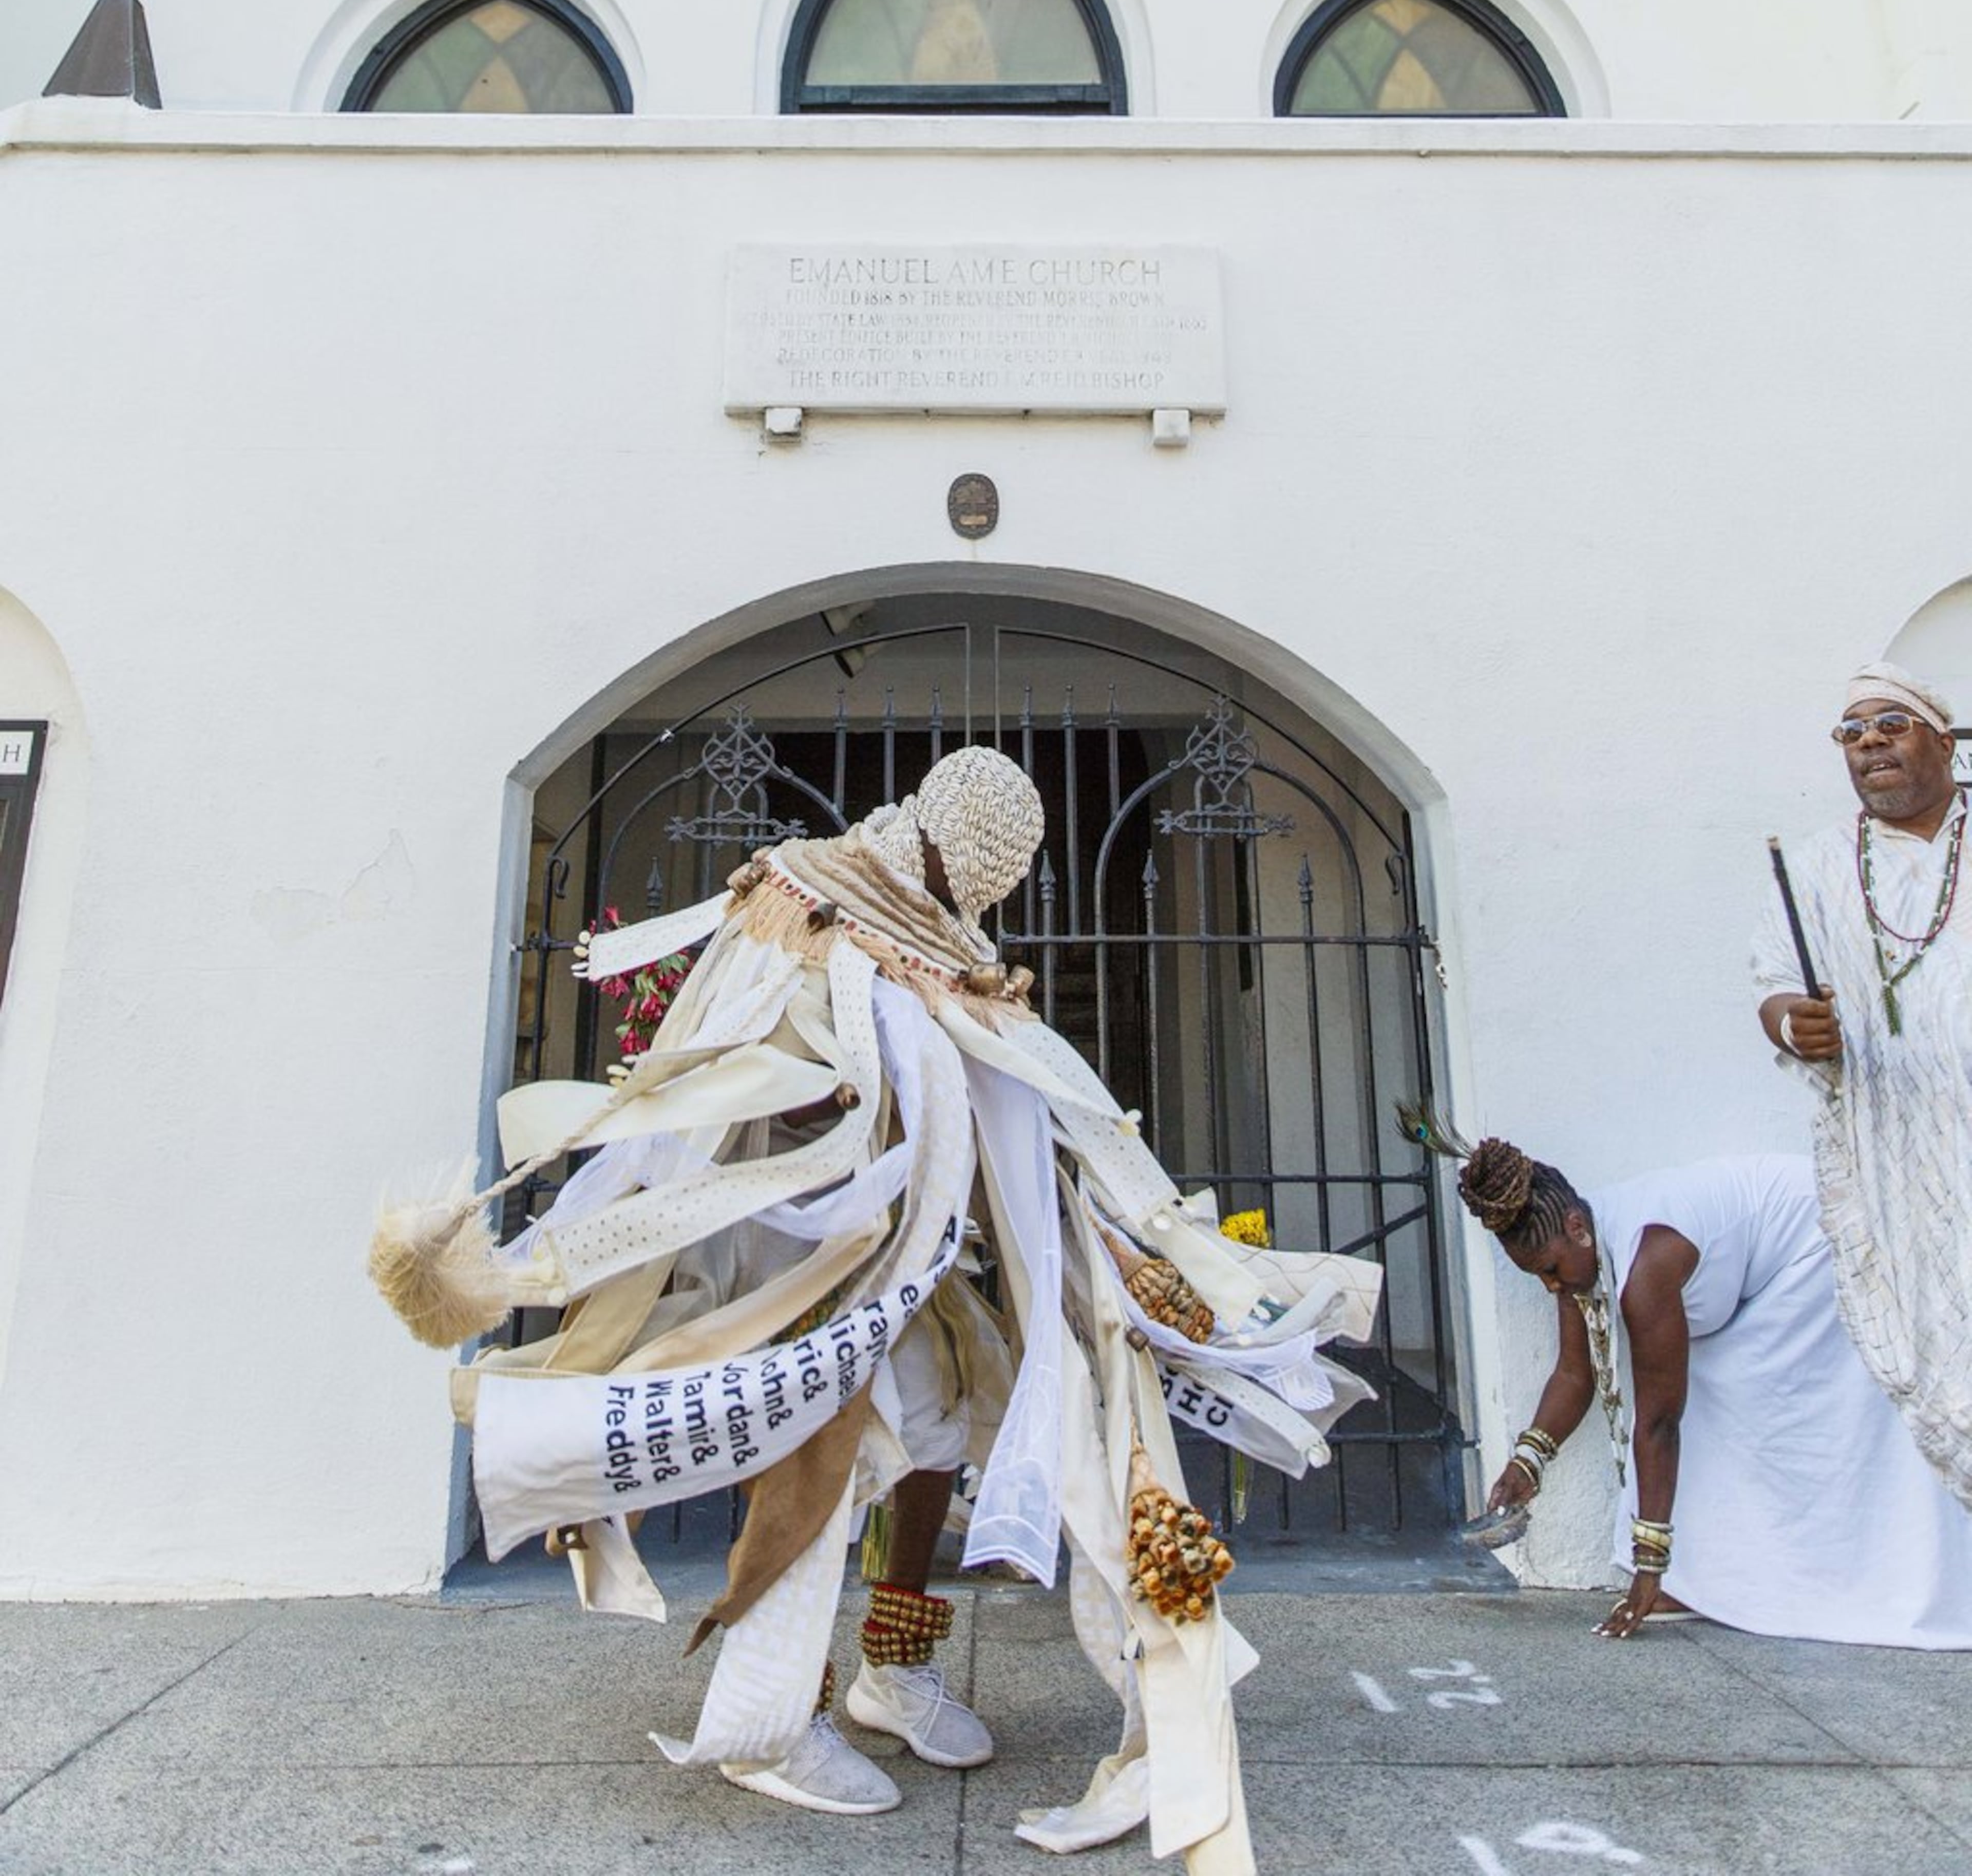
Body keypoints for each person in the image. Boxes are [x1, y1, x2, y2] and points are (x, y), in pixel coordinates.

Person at [370, 746, 1381, 1871]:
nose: (980, 906)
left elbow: (996, 1100)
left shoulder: (946, 949)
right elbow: (725, 1074)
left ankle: (891, 1669)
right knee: (823, 1454)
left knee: (951, 1422)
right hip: (801, 1257)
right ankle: (773, 1719)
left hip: (917, 1253)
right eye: (982, 883)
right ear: (958, 855)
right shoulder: (805, 897)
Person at [1413, 1120, 1972, 1645]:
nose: (1550, 1287)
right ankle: (1706, 1583)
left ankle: (1798, 1588)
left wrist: (1647, 1566)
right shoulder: (1585, 1256)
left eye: (1551, 1270)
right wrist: (1527, 1464)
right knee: (1698, 1400)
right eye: (1538, 1276)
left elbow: (1659, 1424)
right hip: (1769, 1273)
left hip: (1825, 1243)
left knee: (1735, 1405)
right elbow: (1573, 1374)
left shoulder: (1647, 1264)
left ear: (1577, 1229)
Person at [1754, 660, 1972, 1507]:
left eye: (1892, 723)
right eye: (1852, 732)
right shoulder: (1815, 866)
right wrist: (1790, 1024)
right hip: (1902, 1161)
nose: (1870, 742)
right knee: (1945, 1365)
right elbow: (1774, 981)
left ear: (1944, 741)